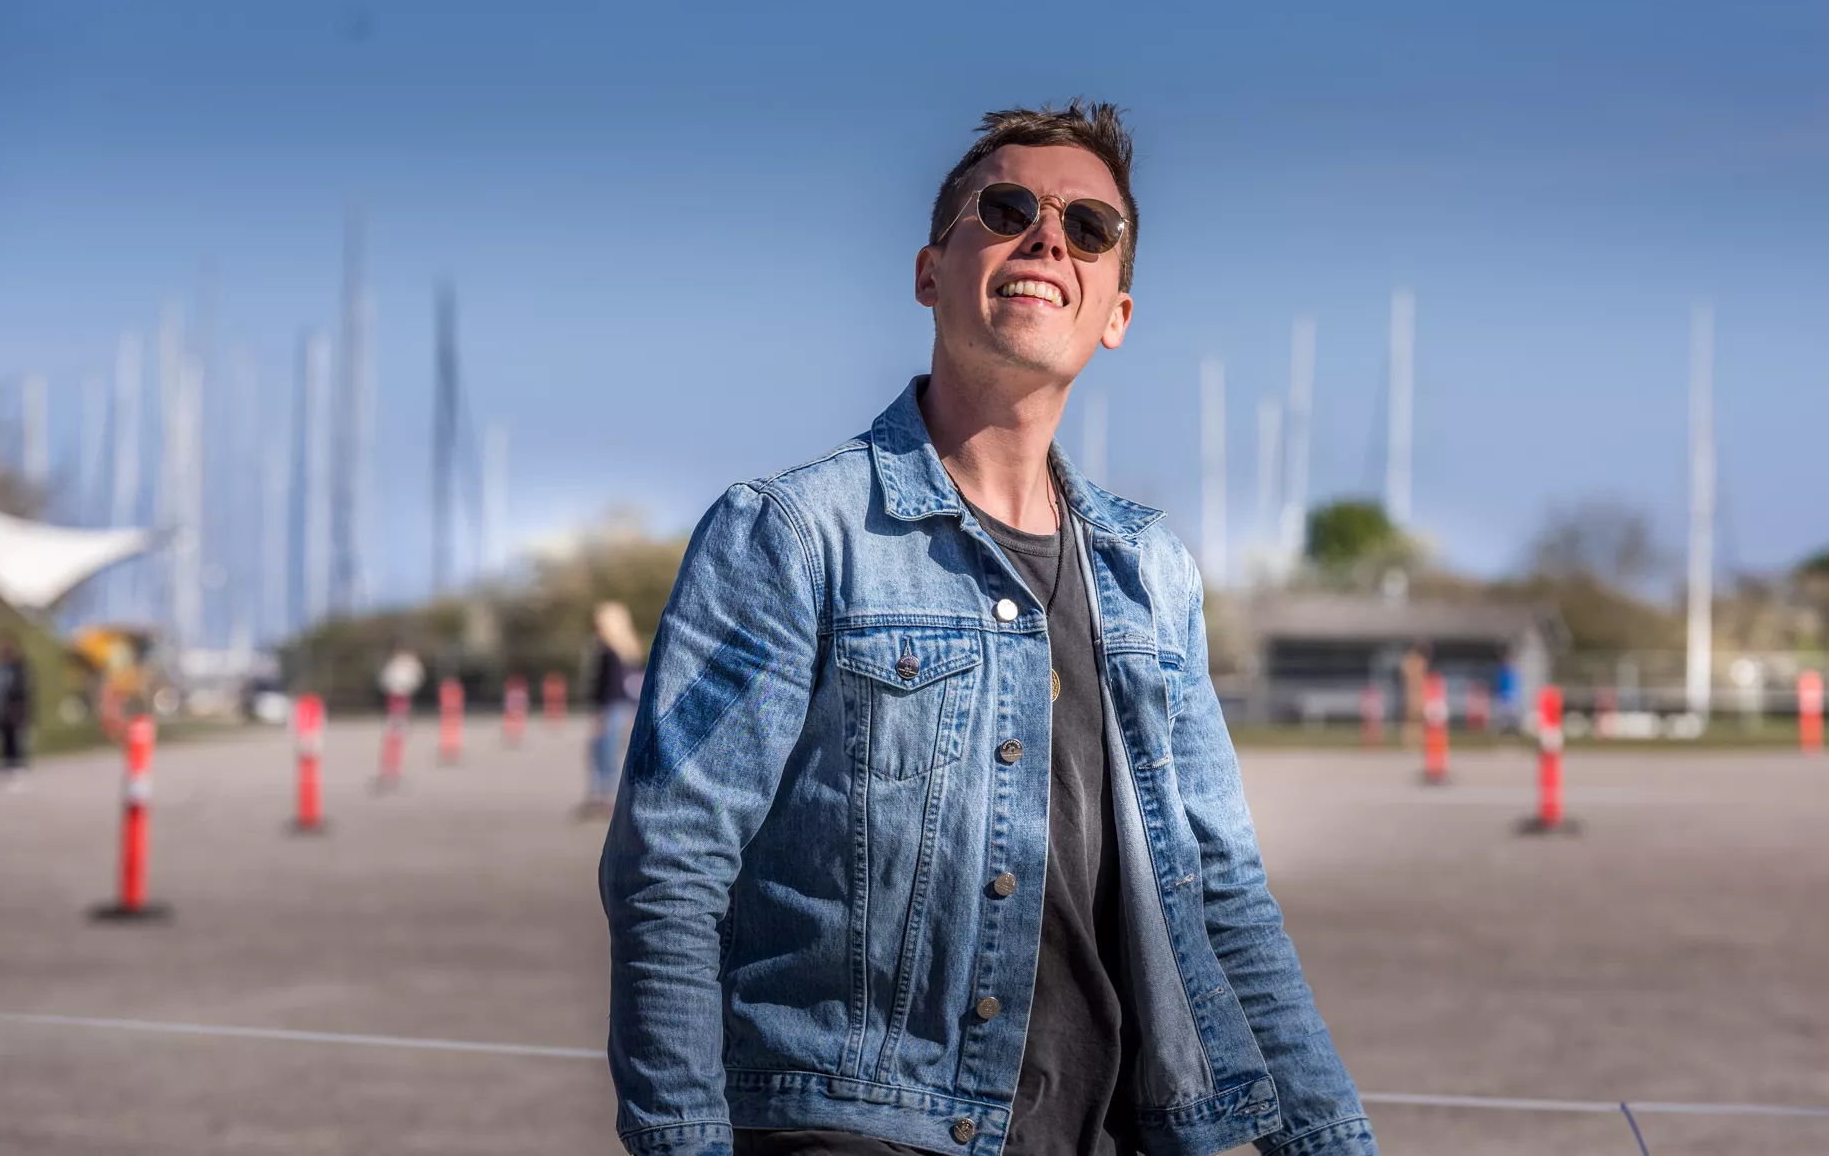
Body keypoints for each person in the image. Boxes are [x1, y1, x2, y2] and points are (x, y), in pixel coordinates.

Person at [601, 102, 1377, 1156]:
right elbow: (668, 869)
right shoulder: (790, 533)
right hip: (855, 1129)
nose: (1048, 238)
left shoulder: (1153, 573)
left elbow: (1225, 896)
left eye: (1088, 229)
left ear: (1115, 313)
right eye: (1007, 210)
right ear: (930, 272)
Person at [581, 601, 643, 819]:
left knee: (603, 750)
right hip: (626, 705)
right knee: (611, 750)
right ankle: (610, 796)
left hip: (610, 706)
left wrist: (599, 714)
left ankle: (606, 798)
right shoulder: (630, 647)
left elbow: (607, 685)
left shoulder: (607, 649)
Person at [0, 631, 32, 790]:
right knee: (3, 741)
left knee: (15, 741)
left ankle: (17, 770)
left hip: (13, 710)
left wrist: (19, 710)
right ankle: (5, 769)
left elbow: (21, 691)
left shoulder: (17, 669)